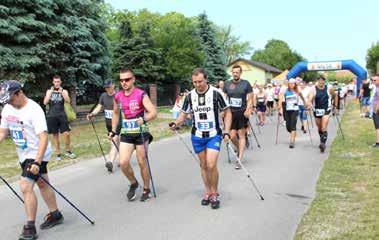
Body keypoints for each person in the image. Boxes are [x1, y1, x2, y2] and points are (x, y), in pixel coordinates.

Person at [0, 80, 64, 240]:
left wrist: (37, 162)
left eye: (11, 99)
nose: (9, 103)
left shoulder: (34, 110)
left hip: (38, 153)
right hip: (23, 152)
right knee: (42, 182)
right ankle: (56, 214)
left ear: (19, 93)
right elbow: (2, 132)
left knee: (25, 186)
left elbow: (43, 138)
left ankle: (30, 227)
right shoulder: (8, 108)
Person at [169, 68, 231, 209]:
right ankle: (208, 191)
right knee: (203, 165)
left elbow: (227, 112)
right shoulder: (190, 96)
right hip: (197, 136)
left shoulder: (216, 93)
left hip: (214, 134)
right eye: (194, 82)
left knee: (211, 164)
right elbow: (183, 114)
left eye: (200, 81)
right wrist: (176, 123)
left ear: (206, 79)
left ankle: (215, 193)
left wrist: (226, 131)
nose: (197, 84)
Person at [110, 68, 157, 202]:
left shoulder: (141, 94)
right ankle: (134, 183)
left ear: (133, 79)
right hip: (127, 133)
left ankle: (146, 189)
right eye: (121, 80)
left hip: (141, 132)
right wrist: (113, 131)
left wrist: (145, 119)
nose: (124, 82)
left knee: (142, 161)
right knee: (123, 162)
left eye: (127, 79)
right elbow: (115, 113)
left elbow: (153, 112)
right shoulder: (118, 96)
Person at [87, 80, 121, 172]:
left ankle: (110, 162)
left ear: (113, 85)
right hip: (108, 124)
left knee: (114, 140)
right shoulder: (103, 96)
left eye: (109, 87)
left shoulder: (118, 96)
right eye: (106, 87)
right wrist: (92, 113)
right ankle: (122, 158)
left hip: (118, 124)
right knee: (116, 142)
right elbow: (99, 106)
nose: (107, 89)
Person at [223, 65, 253, 170]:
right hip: (231, 113)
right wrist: (223, 111)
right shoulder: (227, 84)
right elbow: (224, 98)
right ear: (232, 73)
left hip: (242, 112)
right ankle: (239, 148)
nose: (235, 74)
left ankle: (239, 159)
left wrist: (248, 109)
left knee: (241, 135)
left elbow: (250, 98)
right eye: (233, 72)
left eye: (237, 72)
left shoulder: (246, 84)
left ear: (241, 73)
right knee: (231, 136)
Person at [43, 75, 76, 161]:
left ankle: (68, 151)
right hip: (52, 116)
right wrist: (49, 94)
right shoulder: (49, 91)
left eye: (58, 82)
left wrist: (62, 93)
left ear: (60, 82)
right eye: (55, 82)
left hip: (62, 115)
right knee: (55, 135)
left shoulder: (64, 91)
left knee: (67, 134)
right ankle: (58, 153)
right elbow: (45, 102)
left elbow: (68, 101)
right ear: (53, 82)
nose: (57, 83)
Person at [307, 76, 338, 153]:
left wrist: (335, 106)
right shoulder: (313, 89)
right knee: (319, 127)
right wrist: (309, 104)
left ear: (324, 81)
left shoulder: (329, 88)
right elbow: (310, 98)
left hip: (326, 109)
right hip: (316, 110)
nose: (321, 82)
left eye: (322, 81)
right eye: (319, 81)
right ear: (317, 81)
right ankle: (322, 139)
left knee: (324, 127)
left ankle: (323, 144)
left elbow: (335, 96)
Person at [278, 78, 305, 148]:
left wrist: (305, 103)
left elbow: (302, 97)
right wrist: (279, 106)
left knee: (293, 125)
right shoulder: (285, 91)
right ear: (288, 84)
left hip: (295, 110)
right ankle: (293, 132)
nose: (291, 85)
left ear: (295, 84)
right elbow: (280, 98)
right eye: (290, 83)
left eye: (293, 83)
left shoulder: (297, 91)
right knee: (288, 127)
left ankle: (292, 142)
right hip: (287, 110)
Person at [370, 76, 379, 147]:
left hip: (377, 110)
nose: (373, 81)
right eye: (372, 80)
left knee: (377, 127)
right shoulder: (376, 87)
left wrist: (376, 109)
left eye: (375, 80)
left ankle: (378, 142)